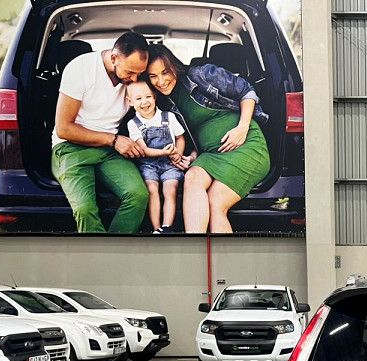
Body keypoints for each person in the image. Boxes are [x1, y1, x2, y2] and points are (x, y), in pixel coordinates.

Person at [145, 44, 270, 234]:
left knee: (215, 203)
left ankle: (217, 254)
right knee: (192, 177)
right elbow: (190, 134)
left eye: (165, 72)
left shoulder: (202, 75)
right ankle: (195, 246)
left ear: (174, 67)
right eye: (153, 76)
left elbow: (247, 91)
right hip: (211, 153)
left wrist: (242, 127)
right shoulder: (161, 102)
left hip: (245, 145)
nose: (161, 81)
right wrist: (192, 155)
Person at [51, 32, 150, 234]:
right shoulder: (81, 68)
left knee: (138, 196)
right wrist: (114, 140)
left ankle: (114, 250)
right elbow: (64, 128)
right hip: (71, 148)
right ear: (114, 58)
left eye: (139, 73)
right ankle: (99, 254)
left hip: (108, 151)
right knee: (85, 209)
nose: (134, 79)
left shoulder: (133, 78)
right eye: (130, 72)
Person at [125, 81, 186, 234]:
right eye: (138, 98)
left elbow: (180, 137)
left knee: (170, 189)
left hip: (170, 163)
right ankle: (156, 228)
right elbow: (144, 150)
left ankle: (166, 227)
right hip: (148, 164)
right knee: (152, 189)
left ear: (154, 97)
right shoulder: (133, 124)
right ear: (130, 101)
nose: (144, 102)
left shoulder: (168, 116)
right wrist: (165, 152)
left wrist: (178, 154)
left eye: (148, 97)